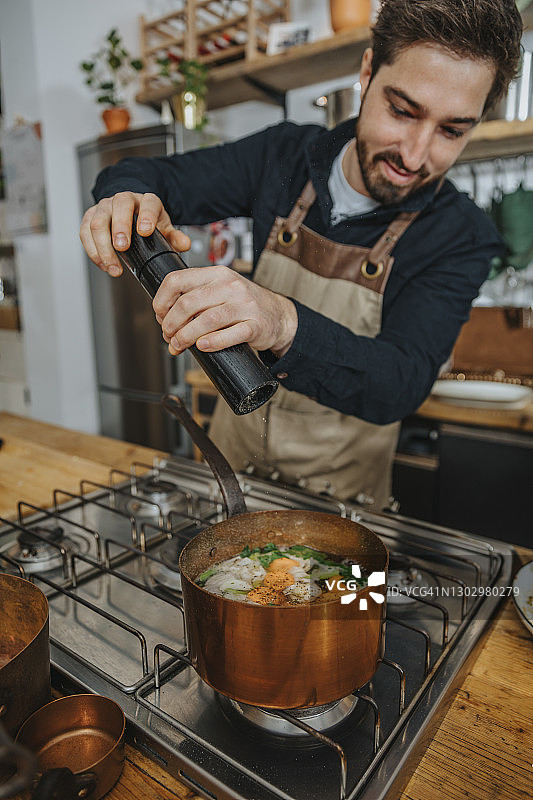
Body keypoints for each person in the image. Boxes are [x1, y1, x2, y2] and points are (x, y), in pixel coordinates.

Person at [80, 0, 522, 510]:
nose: (415, 155)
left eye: (452, 131)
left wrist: (284, 322)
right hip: (229, 486)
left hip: (344, 513)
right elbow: (145, 175)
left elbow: (399, 382)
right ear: (368, 71)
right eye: (402, 111)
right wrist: (127, 200)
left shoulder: (460, 236)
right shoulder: (283, 157)